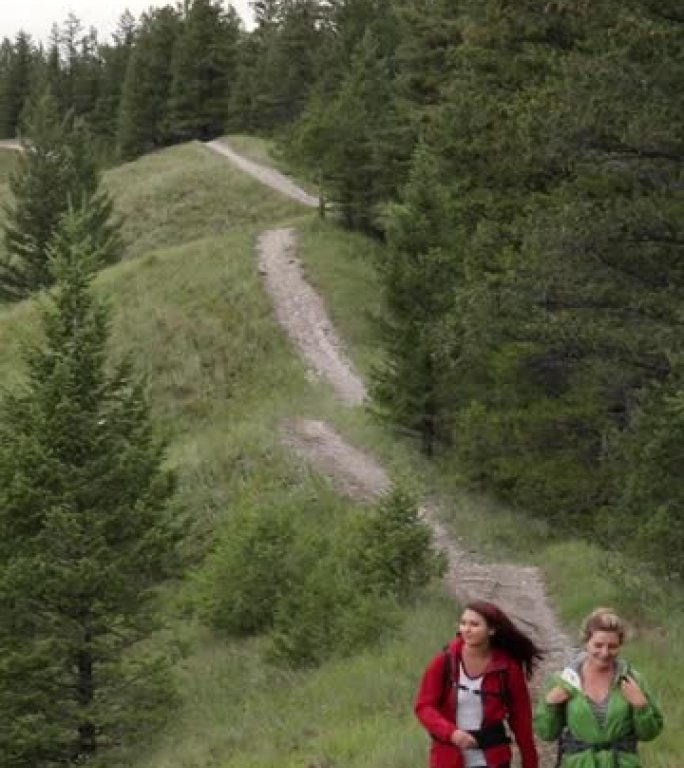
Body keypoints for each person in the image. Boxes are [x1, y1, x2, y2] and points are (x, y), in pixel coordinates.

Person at [415, 600, 542, 768]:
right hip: (448, 759)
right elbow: (424, 706)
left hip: (493, 759)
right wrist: (452, 733)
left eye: (474, 624)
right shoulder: (444, 662)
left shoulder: (508, 669)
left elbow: (522, 721)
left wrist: (530, 762)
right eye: (463, 623)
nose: (466, 629)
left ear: (491, 630)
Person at [534, 607, 663, 767]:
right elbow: (546, 733)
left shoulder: (633, 680)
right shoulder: (564, 681)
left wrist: (641, 706)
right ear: (586, 643)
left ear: (620, 645)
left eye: (612, 646)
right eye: (598, 645)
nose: (604, 652)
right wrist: (550, 705)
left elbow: (649, 734)